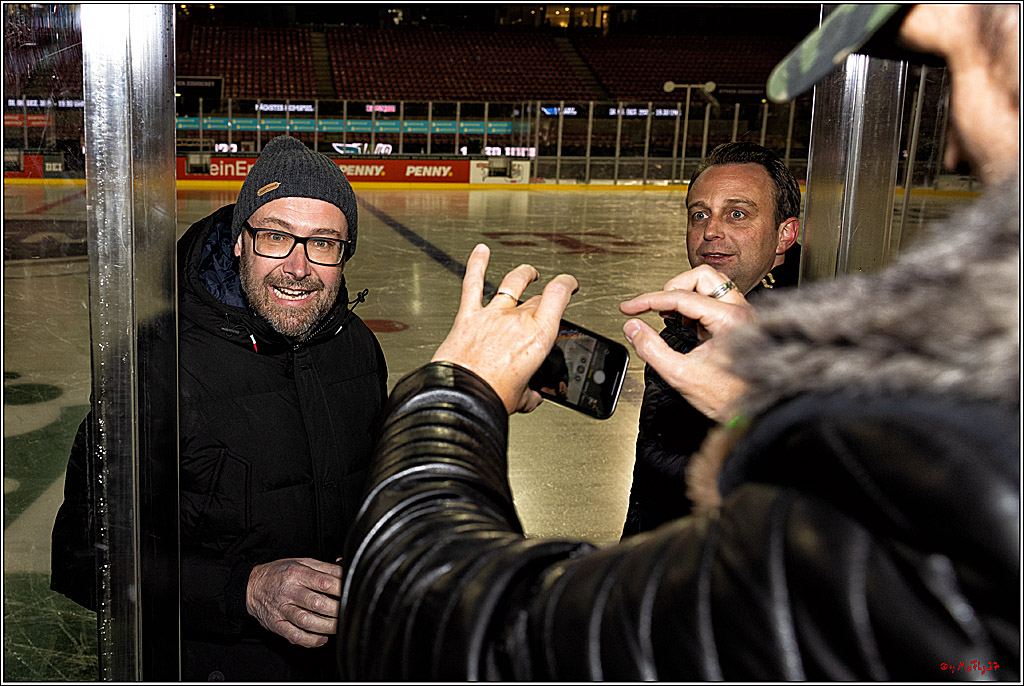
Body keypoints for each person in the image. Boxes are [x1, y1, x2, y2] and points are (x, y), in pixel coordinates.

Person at [335, 4, 1018, 681]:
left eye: (955, 63)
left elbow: (440, 624)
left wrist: (456, 388)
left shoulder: (931, 457)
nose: (951, 143)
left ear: (786, 237)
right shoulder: (755, 352)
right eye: (701, 214)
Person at [51, 135, 388, 681]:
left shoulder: (357, 348)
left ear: (344, 252)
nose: (298, 267)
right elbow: (81, 557)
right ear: (238, 241)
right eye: (276, 237)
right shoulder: (157, 365)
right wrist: (245, 591)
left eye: (323, 243)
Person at [623, 142, 801, 536]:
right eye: (699, 214)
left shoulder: (805, 342)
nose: (710, 230)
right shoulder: (687, 316)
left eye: (737, 214)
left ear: (784, 235)